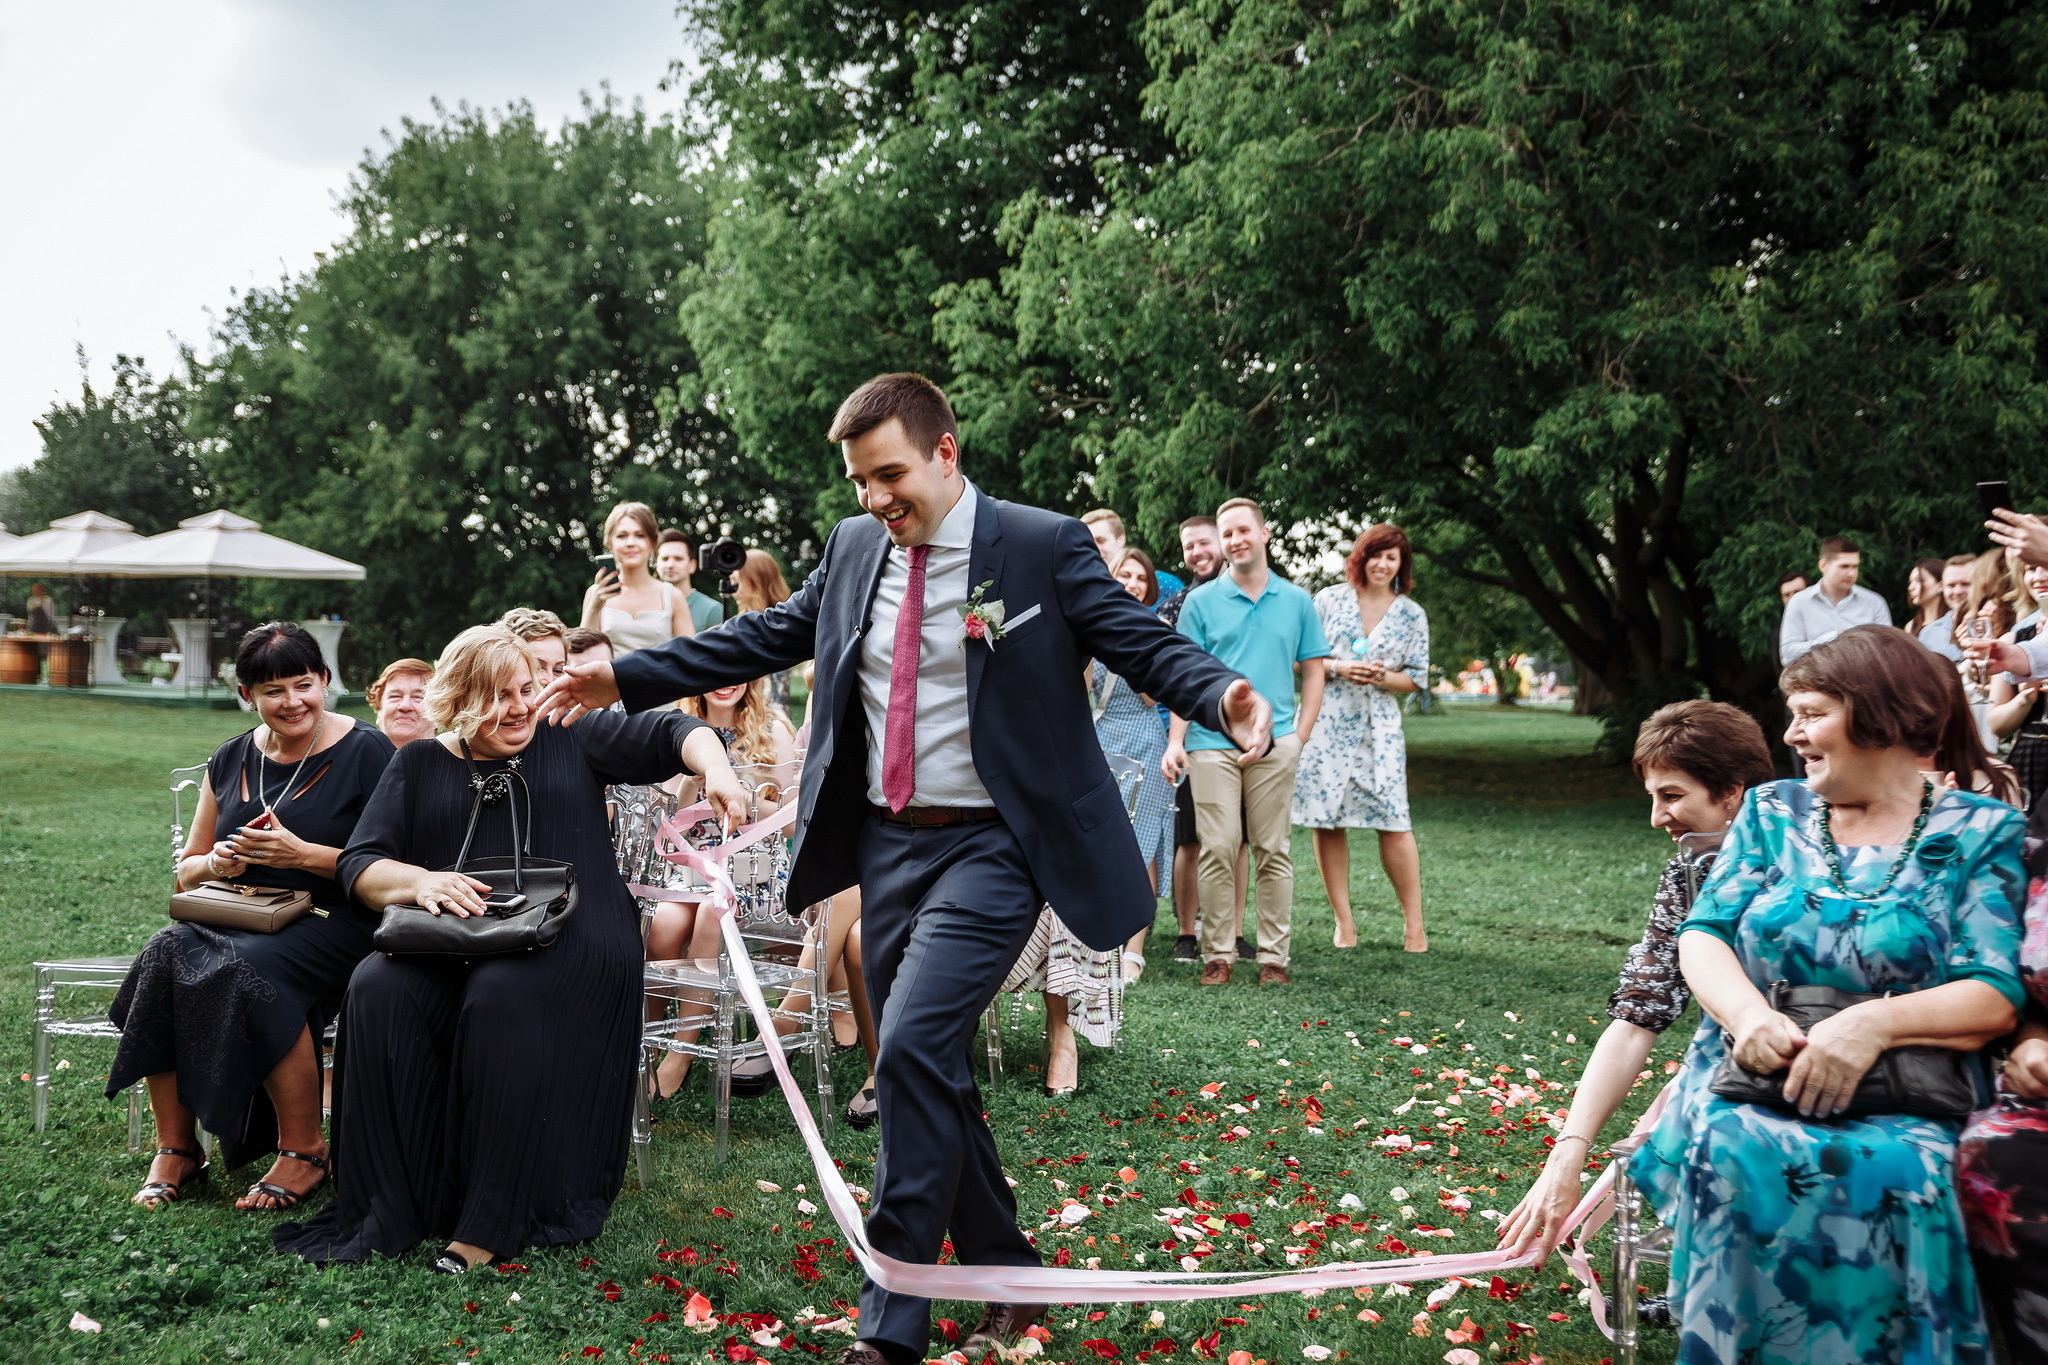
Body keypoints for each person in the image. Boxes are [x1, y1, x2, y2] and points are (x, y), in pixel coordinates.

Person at [535, 371, 1263, 1365]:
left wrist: (1221, 695)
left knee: (910, 1050)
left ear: (944, 452)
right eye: (856, 481)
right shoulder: (851, 546)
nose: (873, 498)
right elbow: (770, 633)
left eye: (889, 476)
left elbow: (1132, 638)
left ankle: (893, 1319)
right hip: (884, 844)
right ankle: (1010, 1275)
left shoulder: (1037, 545)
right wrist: (623, 673)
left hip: (996, 843)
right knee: (933, 1068)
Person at [272, 624, 744, 1273]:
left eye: (526, 687)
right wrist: (420, 880)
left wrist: (716, 768)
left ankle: (495, 1215)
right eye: (499, 695)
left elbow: (671, 733)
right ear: (460, 700)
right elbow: (361, 863)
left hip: (578, 932)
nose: (521, 705)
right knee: (376, 987)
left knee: (503, 992)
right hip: (457, 936)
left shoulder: (570, 733)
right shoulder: (417, 762)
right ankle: (397, 1199)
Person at [1627, 625, 2025, 1363]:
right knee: (1729, 1145)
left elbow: (1995, 989)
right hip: (1759, 1081)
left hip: (1907, 1095)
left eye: (1810, 712)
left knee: (1901, 1172)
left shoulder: (1980, 830)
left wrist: (1873, 1024)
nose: (1792, 732)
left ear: (1879, 712)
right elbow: (1703, 933)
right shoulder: (1774, 814)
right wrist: (1748, 1015)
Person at [108, 623, 396, 1210]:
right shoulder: (233, 756)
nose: (291, 702)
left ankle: (305, 1148)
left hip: (337, 919)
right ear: (247, 696)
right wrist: (218, 860)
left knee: (251, 967)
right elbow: (186, 871)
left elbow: (397, 868)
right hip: (243, 912)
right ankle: (178, 1147)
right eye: (272, 691)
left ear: (324, 680)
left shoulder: (368, 752)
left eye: (302, 685)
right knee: (164, 955)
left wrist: (303, 857)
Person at [1496, 700, 1773, 1266]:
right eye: (1653, 797)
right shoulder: (1689, 871)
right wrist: (1567, 1155)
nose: (1656, 818)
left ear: (1734, 792)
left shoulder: (1812, 858)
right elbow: (1637, 1017)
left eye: (1672, 796)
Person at [1166, 498, 1328, 987]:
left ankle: (1274, 957)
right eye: (1227, 533)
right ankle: (1218, 953)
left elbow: (1315, 671)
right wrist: (1177, 741)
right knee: (1217, 846)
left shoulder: (1297, 601)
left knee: (1273, 848)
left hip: (1276, 741)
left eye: (1243, 531)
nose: (1235, 540)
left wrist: (1299, 735)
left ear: (1264, 534)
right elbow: (1183, 678)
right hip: (1209, 740)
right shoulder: (1201, 602)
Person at [1292, 524, 1430, 953]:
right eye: (1377, 555)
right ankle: (1344, 923)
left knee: (1394, 822)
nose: (1383, 564)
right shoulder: (1329, 600)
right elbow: (1301, 659)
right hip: (1326, 724)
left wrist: (1383, 676)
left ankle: (1414, 925)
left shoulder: (1411, 614)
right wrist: (1339, 668)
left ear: (1400, 565)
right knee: (1327, 820)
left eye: (1393, 558)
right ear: (1362, 558)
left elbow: (1417, 678)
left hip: (1379, 730)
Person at [1955, 873, 2048, 1364]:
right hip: (2031, 1121)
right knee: (1988, 1160)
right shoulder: (2037, 847)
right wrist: (2032, 1041)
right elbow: (2024, 995)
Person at [1157, 516, 1244, 964]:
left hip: (1244, 734)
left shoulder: (1245, 599)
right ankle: (1187, 932)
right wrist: (1177, 739)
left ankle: (1235, 928)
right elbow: (1171, 679)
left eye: (1203, 543)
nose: (1197, 552)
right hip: (1193, 734)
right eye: (1188, 546)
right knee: (1189, 839)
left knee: (1241, 841)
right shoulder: (1177, 605)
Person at [1090, 546, 1175, 975]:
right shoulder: (1091, 625)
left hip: (1144, 740)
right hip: (1099, 739)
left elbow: (1152, 695)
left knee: (1141, 843)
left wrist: (1133, 638)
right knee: (1100, 842)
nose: (1133, 583)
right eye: (1126, 574)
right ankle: (1098, 941)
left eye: (1141, 578)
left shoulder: (1153, 627)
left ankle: (1135, 948)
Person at [580, 502, 694, 654]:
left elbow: (690, 655)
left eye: (640, 535)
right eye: (622, 536)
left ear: (653, 543)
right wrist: (594, 607)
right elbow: (582, 654)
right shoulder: (596, 593)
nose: (631, 543)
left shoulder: (673, 596)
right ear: (610, 543)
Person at [1776, 535, 1892, 663]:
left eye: (1855, 566)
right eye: (1844, 566)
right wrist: (1832, 639)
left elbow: (1888, 653)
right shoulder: (1799, 602)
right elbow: (1788, 656)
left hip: (1866, 681)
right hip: (1818, 681)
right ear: (1823, 566)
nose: (1851, 573)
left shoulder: (1875, 603)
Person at [733, 549, 799, 714]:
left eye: (737, 578)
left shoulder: (780, 622)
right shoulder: (739, 619)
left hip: (770, 714)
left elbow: (778, 689)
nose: (732, 582)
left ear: (755, 579)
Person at [1081, 508, 1185, 597]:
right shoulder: (1078, 587)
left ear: (1120, 540)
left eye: (1100, 541)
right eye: (1087, 542)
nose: (1093, 547)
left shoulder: (1165, 584)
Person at [657, 529, 726, 634]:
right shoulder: (645, 607)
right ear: (656, 564)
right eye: (665, 559)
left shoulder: (712, 611)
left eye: (678, 558)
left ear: (692, 565)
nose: (670, 564)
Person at [1922, 552, 1979, 663]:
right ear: (1942, 587)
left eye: (1965, 584)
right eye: (1951, 585)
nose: (1958, 591)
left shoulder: (1996, 626)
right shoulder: (1928, 634)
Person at [367, 657, 434, 748]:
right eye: (395, 696)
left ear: (439, 712)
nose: (405, 706)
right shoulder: (354, 760)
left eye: (418, 697)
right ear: (378, 709)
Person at [1906, 557, 1948, 635]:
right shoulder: (1911, 626)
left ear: (1940, 586)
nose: (1910, 587)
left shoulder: (1954, 623)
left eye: (1919, 580)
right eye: (1910, 582)